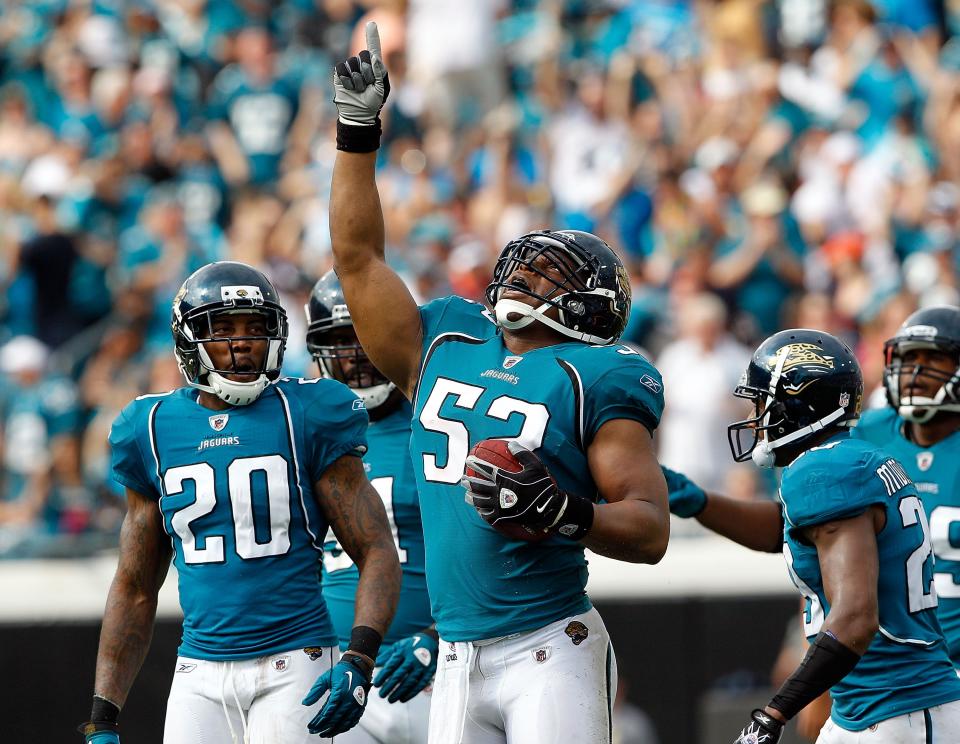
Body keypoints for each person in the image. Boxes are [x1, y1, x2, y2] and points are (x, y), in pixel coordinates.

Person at [326, 23, 670, 744]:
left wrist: (564, 513)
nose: (523, 273)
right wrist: (358, 133)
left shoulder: (597, 374)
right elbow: (357, 260)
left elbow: (649, 528)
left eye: (550, 272)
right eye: (525, 262)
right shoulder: (446, 339)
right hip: (453, 652)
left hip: (549, 646)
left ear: (588, 304)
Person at [80, 261, 401, 744]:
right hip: (199, 672)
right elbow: (134, 587)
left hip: (296, 662)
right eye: (222, 327)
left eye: (255, 327)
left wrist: (359, 655)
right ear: (188, 339)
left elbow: (376, 548)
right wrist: (103, 716)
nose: (242, 341)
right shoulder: (148, 427)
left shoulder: (310, 411)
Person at [664, 328, 960, 742]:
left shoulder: (822, 470)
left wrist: (773, 713)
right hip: (873, 706)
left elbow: (855, 617)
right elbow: (786, 534)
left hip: (897, 710)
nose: (754, 414)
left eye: (762, 400)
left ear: (797, 402)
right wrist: (695, 500)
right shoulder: (848, 458)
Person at [307, 270, 435, 743]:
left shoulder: (441, 425)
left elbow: (486, 552)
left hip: (437, 668)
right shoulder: (301, 430)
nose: (357, 355)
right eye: (341, 339)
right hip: (335, 673)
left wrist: (440, 638)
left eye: (366, 335)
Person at [852, 305, 960, 665]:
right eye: (907, 357)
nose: (914, 370)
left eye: (932, 358)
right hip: (891, 660)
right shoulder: (869, 432)